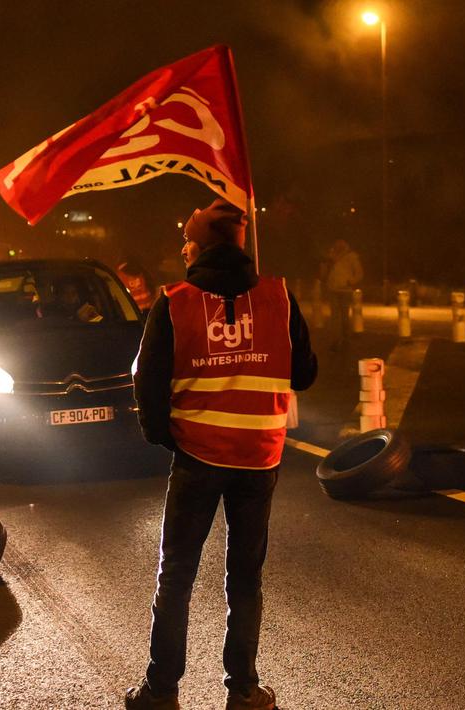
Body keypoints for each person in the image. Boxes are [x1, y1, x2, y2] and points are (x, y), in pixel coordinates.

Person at [126, 198, 317, 710]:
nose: (183, 246)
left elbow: (148, 379)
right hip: (259, 458)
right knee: (245, 579)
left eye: (188, 239)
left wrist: (164, 435)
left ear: (205, 244)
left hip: (198, 457)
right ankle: (245, 692)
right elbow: (305, 373)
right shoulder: (279, 295)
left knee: (178, 576)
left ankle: (161, 692)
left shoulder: (176, 300)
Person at [323, 238, 363, 347]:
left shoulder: (351, 257)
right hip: (333, 289)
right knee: (335, 317)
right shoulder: (331, 257)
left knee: (344, 316)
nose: (338, 246)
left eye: (341, 244)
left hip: (345, 290)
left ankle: (345, 337)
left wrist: (351, 282)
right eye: (337, 244)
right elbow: (325, 271)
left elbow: (359, 273)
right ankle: (336, 340)